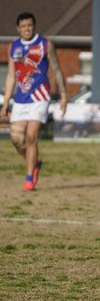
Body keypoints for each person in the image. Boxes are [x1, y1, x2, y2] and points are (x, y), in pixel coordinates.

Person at [1, 12, 67, 191]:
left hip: (40, 96)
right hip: (21, 99)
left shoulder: (45, 44)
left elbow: (57, 70)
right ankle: (35, 162)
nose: (27, 29)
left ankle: (29, 178)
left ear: (34, 26)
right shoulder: (13, 47)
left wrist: (63, 95)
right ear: (18, 28)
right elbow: (10, 75)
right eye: (23, 26)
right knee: (16, 139)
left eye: (29, 25)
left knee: (31, 137)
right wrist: (6, 101)